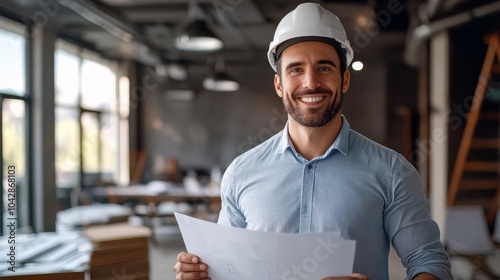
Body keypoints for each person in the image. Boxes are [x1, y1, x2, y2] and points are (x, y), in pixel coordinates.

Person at [173, 2, 453, 280]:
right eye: (295, 69)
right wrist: (201, 275)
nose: (310, 82)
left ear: (344, 79)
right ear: (279, 84)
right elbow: (227, 269)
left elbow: (429, 261)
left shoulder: (391, 172)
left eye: (324, 68)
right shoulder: (240, 173)